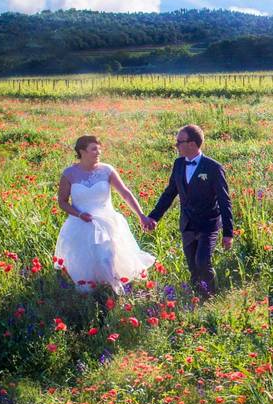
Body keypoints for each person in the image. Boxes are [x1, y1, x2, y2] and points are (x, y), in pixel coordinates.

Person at [54, 135, 156, 296]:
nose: (98, 152)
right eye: (94, 149)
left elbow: (126, 194)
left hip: (107, 222)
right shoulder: (69, 174)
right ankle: (94, 296)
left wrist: (141, 215)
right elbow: (62, 202)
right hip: (81, 224)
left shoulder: (107, 170)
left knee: (106, 257)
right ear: (82, 151)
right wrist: (79, 214)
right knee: (86, 265)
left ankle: (117, 293)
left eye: (99, 148)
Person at [147, 124, 233, 298]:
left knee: (202, 262)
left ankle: (210, 297)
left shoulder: (213, 168)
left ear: (192, 144)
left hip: (208, 224)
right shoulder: (178, 164)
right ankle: (196, 298)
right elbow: (170, 193)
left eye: (179, 142)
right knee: (193, 266)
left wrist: (228, 233)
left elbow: (224, 200)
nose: (176, 145)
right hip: (187, 223)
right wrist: (154, 217)